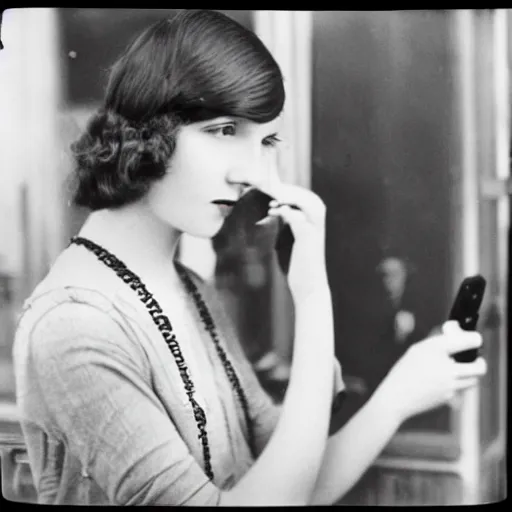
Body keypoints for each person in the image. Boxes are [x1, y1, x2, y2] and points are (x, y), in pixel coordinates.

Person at [12, 9, 487, 506]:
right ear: (147, 131)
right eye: (224, 131)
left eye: (265, 142)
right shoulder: (75, 327)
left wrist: (400, 394)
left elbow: (293, 482)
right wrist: (311, 295)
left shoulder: (191, 289)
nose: (252, 175)